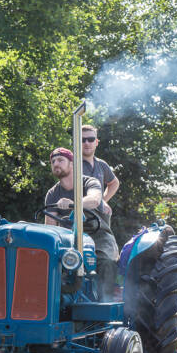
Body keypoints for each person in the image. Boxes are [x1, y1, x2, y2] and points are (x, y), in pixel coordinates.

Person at [44, 147, 119, 301]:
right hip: (71, 238)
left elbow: (95, 199)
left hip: (98, 236)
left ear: (72, 164)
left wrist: (74, 204)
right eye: (53, 161)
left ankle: (105, 306)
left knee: (105, 263)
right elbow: (50, 227)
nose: (56, 164)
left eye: (60, 160)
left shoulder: (89, 182)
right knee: (51, 264)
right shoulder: (52, 194)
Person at [81, 125, 120, 216]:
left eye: (91, 139)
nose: (87, 143)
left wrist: (101, 201)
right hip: (77, 217)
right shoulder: (71, 164)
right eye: (82, 140)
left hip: (99, 219)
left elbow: (114, 183)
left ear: (96, 142)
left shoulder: (101, 164)